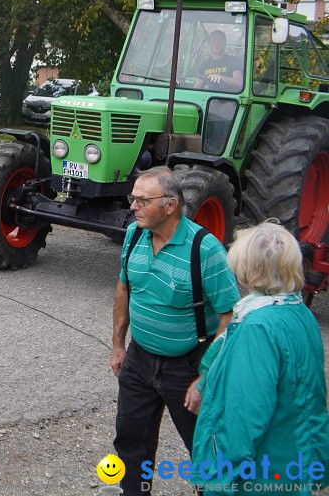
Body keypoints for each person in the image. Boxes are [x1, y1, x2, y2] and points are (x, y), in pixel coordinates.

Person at [110, 166, 240, 495]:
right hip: (139, 360)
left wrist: (206, 376)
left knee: (205, 450)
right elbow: (124, 288)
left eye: (142, 200)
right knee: (131, 442)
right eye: (132, 198)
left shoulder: (205, 250)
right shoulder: (134, 234)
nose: (133, 206)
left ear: (170, 205)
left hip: (188, 366)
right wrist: (118, 345)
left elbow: (229, 315)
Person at [189, 222, 329, 493]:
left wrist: (217, 475)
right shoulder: (297, 312)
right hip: (292, 461)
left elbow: (245, 414)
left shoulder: (257, 326)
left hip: (261, 474)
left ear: (250, 268)